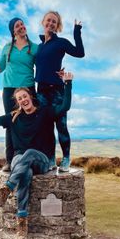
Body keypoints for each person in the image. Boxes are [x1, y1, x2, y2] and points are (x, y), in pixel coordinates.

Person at [0, 71, 73, 239]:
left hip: (42, 160)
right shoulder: (14, 117)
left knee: (30, 153)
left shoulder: (45, 112)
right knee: (23, 172)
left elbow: (64, 107)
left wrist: (68, 84)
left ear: (30, 97)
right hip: (21, 161)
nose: (23, 100)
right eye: (19, 99)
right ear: (17, 102)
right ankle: (22, 224)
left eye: (24, 96)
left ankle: (6, 189)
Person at [0, 18, 38, 171]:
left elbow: (42, 65)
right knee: (11, 123)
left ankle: (33, 158)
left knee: (32, 122)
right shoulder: (7, 48)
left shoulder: (34, 48)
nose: (21, 27)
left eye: (22, 24)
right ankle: (10, 160)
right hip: (9, 90)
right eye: (17, 26)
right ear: (13, 31)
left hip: (28, 89)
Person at [35, 11, 84, 172]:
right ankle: (50, 159)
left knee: (61, 126)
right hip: (41, 92)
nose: (51, 23)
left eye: (54, 22)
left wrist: (77, 31)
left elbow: (80, 53)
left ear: (57, 26)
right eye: (48, 20)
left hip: (56, 90)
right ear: (43, 22)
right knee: (47, 128)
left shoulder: (61, 42)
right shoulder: (39, 47)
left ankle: (66, 159)